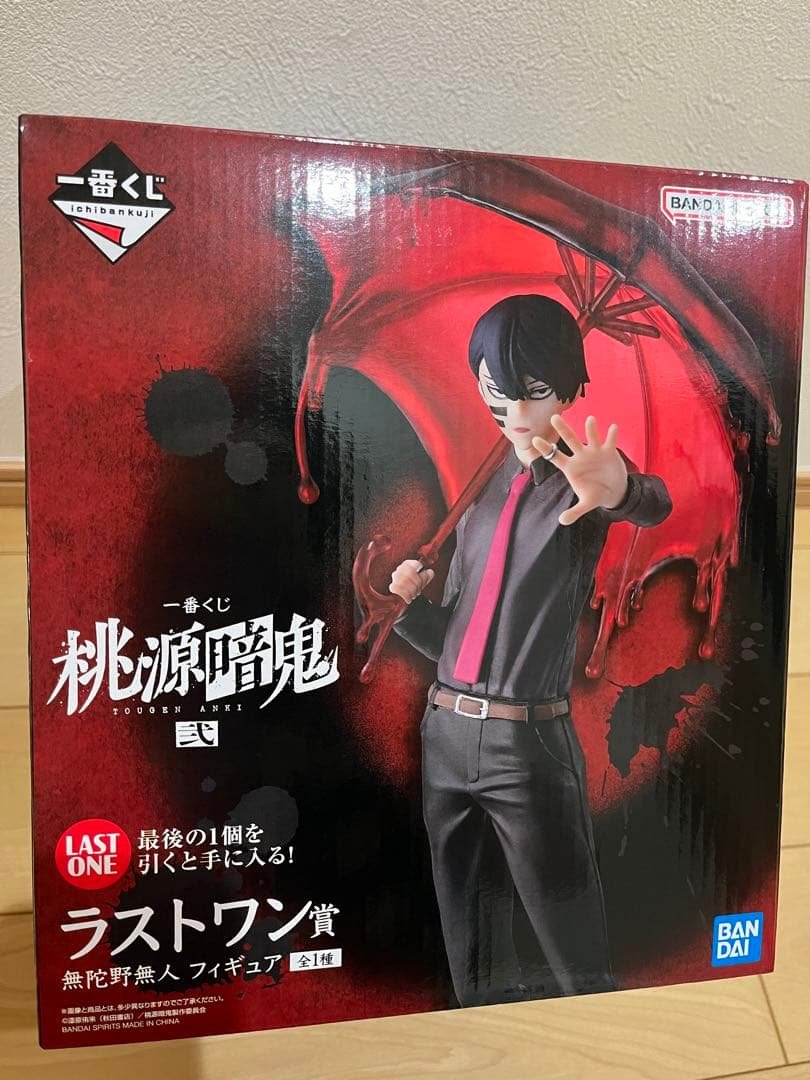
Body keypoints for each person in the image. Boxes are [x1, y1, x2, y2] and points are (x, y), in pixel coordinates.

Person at [389, 294, 672, 1006]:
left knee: (575, 954)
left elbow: (648, 501)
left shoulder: (581, 484)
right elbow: (457, 636)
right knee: (469, 949)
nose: (515, 410)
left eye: (535, 390)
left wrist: (622, 487)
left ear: (570, 389)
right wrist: (402, 609)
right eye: (498, 390)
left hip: (527, 746)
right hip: (444, 735)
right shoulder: (482, 499)